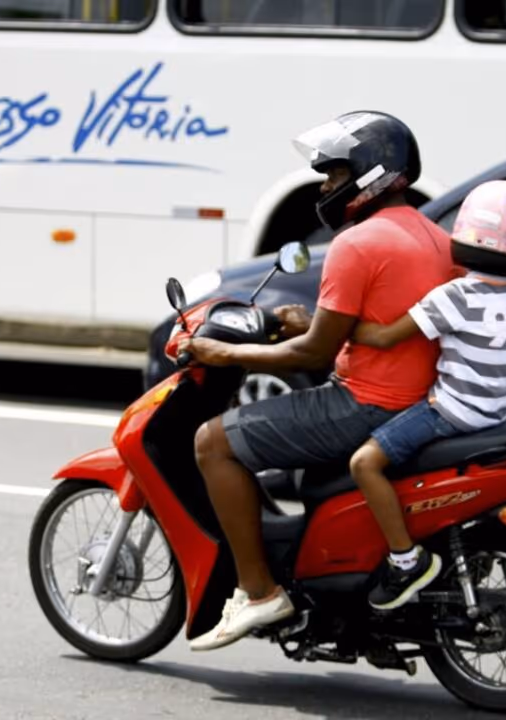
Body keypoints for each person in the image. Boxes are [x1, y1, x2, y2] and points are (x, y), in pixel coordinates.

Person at [179, 110, 457, 651]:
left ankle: (258, 592)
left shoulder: (357, 243)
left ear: (369, 175)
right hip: (418, 402)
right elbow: (387, 324)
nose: (326, 188)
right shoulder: (434, 237)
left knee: (212, 442)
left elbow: (313, 352)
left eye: (333, 176)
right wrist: (314, 324)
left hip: (367, 406)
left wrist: (224, 351)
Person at [347, 179, 506, 610]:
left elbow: (384, 337)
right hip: (495, 413)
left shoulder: (457, 295)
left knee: (364, 463)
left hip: (452, 412)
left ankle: (405, 561)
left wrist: (340, 326)